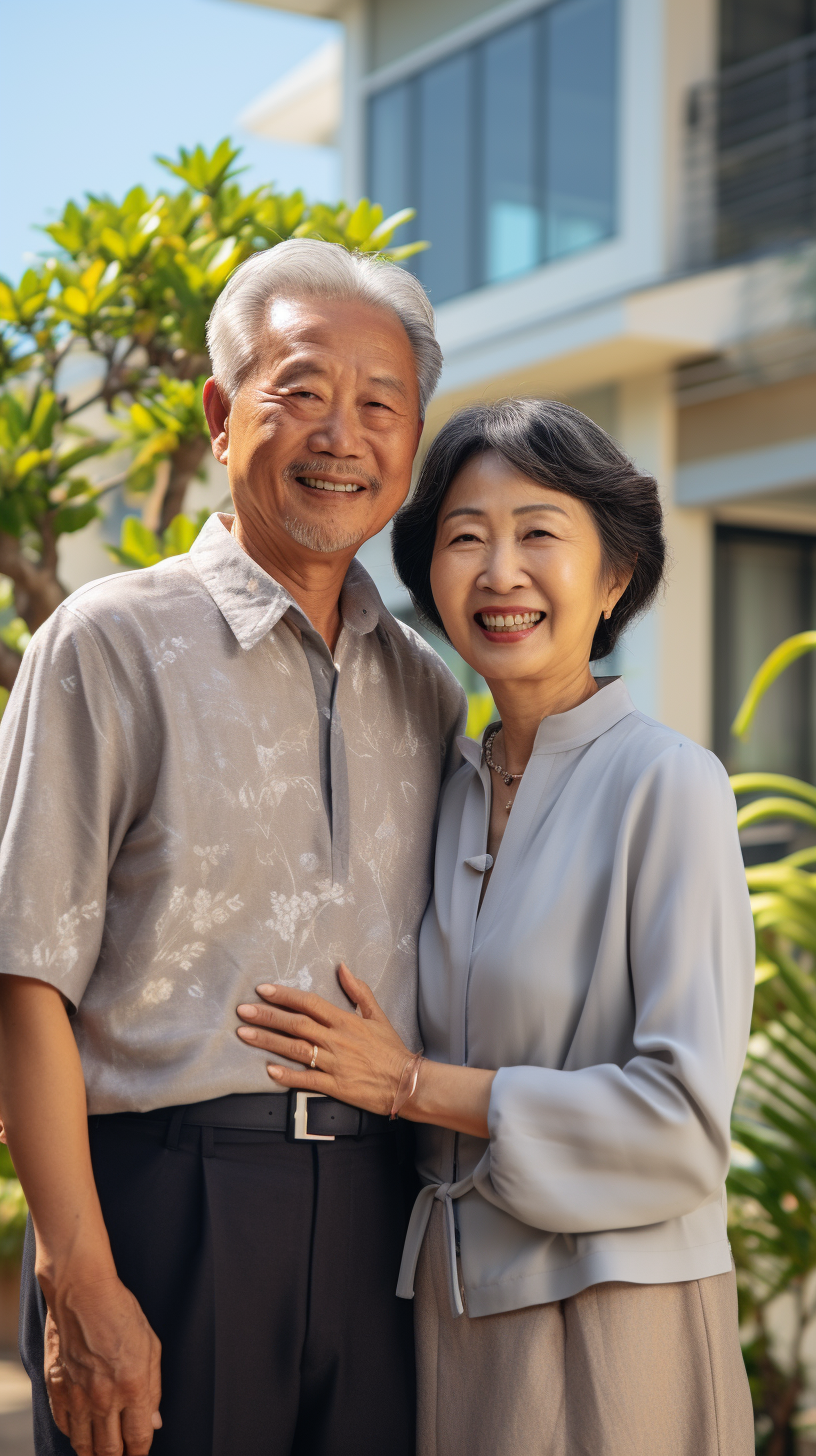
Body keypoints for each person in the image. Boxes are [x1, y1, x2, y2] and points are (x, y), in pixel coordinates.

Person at [0, 239, 466, 1456]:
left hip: (383, 1216)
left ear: (412, 444)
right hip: (167, 1207)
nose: (341, 436)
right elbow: (20, 971)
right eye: (301, 390)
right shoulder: (106, 642)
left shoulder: (429, 690)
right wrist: (78, 1276)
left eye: (381, 406)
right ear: (220, 412)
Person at [236, 398, 757, 1456]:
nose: (500, 572)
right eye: (465, 538)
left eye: (539, 534)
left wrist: (412, 1084)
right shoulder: (453, 783)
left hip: (613, 1319)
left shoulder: (669, 783)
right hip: (447, 1313)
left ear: (614, 578)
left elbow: (683, 1122)